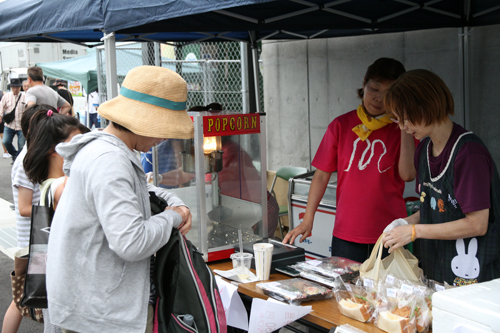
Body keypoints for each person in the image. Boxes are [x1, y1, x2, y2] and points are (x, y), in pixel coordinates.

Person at [46, 66, 194, 333]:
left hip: (89, 302)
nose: (163, 138)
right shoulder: (110, 162)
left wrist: (176, 203)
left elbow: (143, 190)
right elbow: (132, 243)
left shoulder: (106, 150)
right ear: (146, 121)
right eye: (164, 129)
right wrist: (174, 216)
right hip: (98, 313)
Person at [283, 58, 416, 263]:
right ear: (364, 84)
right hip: (347, 233)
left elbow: (408, 175)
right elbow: (321, 175)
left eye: (389, 94)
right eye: (374, 89)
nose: (378, 98)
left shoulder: (403, 130)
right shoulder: (340, 125)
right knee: (347, 292)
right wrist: (308, 218)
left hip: (391, 233)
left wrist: (404, 122)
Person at [382, 69, 500, 286]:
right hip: (435, 269)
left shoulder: (468, 154)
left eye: (405, 118)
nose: (402, 126)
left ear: (425, 106)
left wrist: (414, 231)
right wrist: (404, 223)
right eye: (397, 119)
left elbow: (477, 224)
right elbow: (435, 209)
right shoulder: (424, 148)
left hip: (472, 278)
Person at [21, 109, 89, 333]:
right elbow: (68, 188)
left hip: (66, 277)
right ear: (53, 150)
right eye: (75, 143)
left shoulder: (58, 181)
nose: (82, 148)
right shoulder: (55, 185)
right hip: (68, 282)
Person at [1, 104, 52, 333]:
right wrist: (55, 209)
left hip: (39, 237)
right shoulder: (25, 162)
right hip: (32, 242)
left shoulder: (36, 156)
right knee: (22, 298)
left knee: (28, 297)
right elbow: (23, 208)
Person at [0, 78, 26, 163]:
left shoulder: (25, 96)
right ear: (11, 87)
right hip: (9, 125)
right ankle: (15, 155)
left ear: (20, 87)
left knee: (22, 146)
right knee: (6, 141)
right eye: (13, 87)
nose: (15, 89)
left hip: (21, 126)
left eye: (17, 87)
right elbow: (1, 106)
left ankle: (17, 159)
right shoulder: (6, 96)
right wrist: (0, 116)